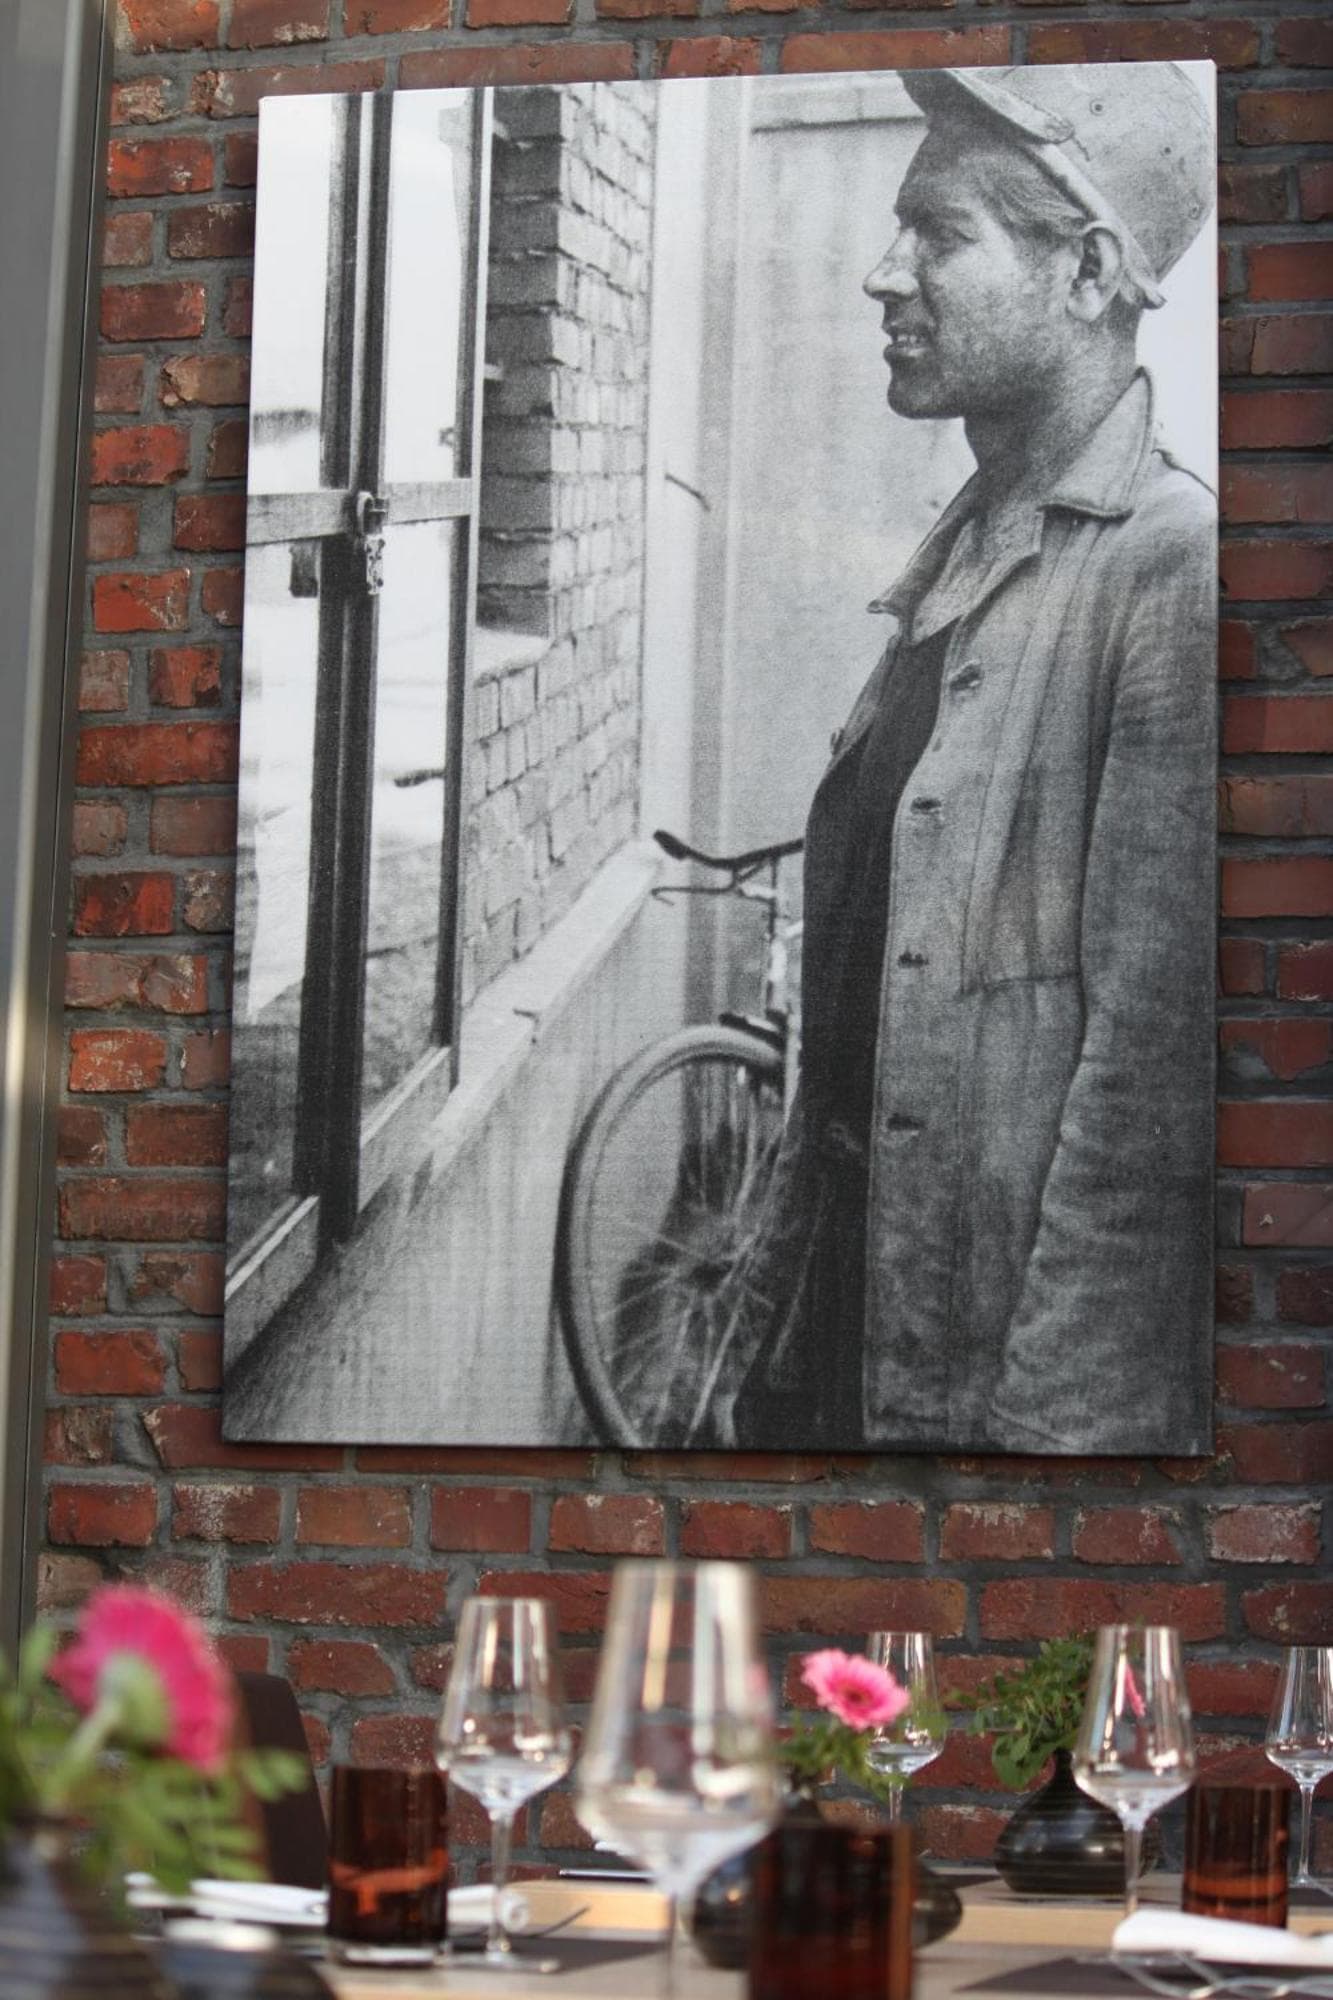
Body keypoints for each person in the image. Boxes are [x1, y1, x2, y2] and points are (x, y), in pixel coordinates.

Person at [712, 62, 1218, 1456]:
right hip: (846, 1320)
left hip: (995, 1401)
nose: (885, 274)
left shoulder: (1174, 574)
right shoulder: (961, 552)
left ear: (1088, 272)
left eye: (938, 232)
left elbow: (1149, 1099)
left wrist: (1045, 1452)